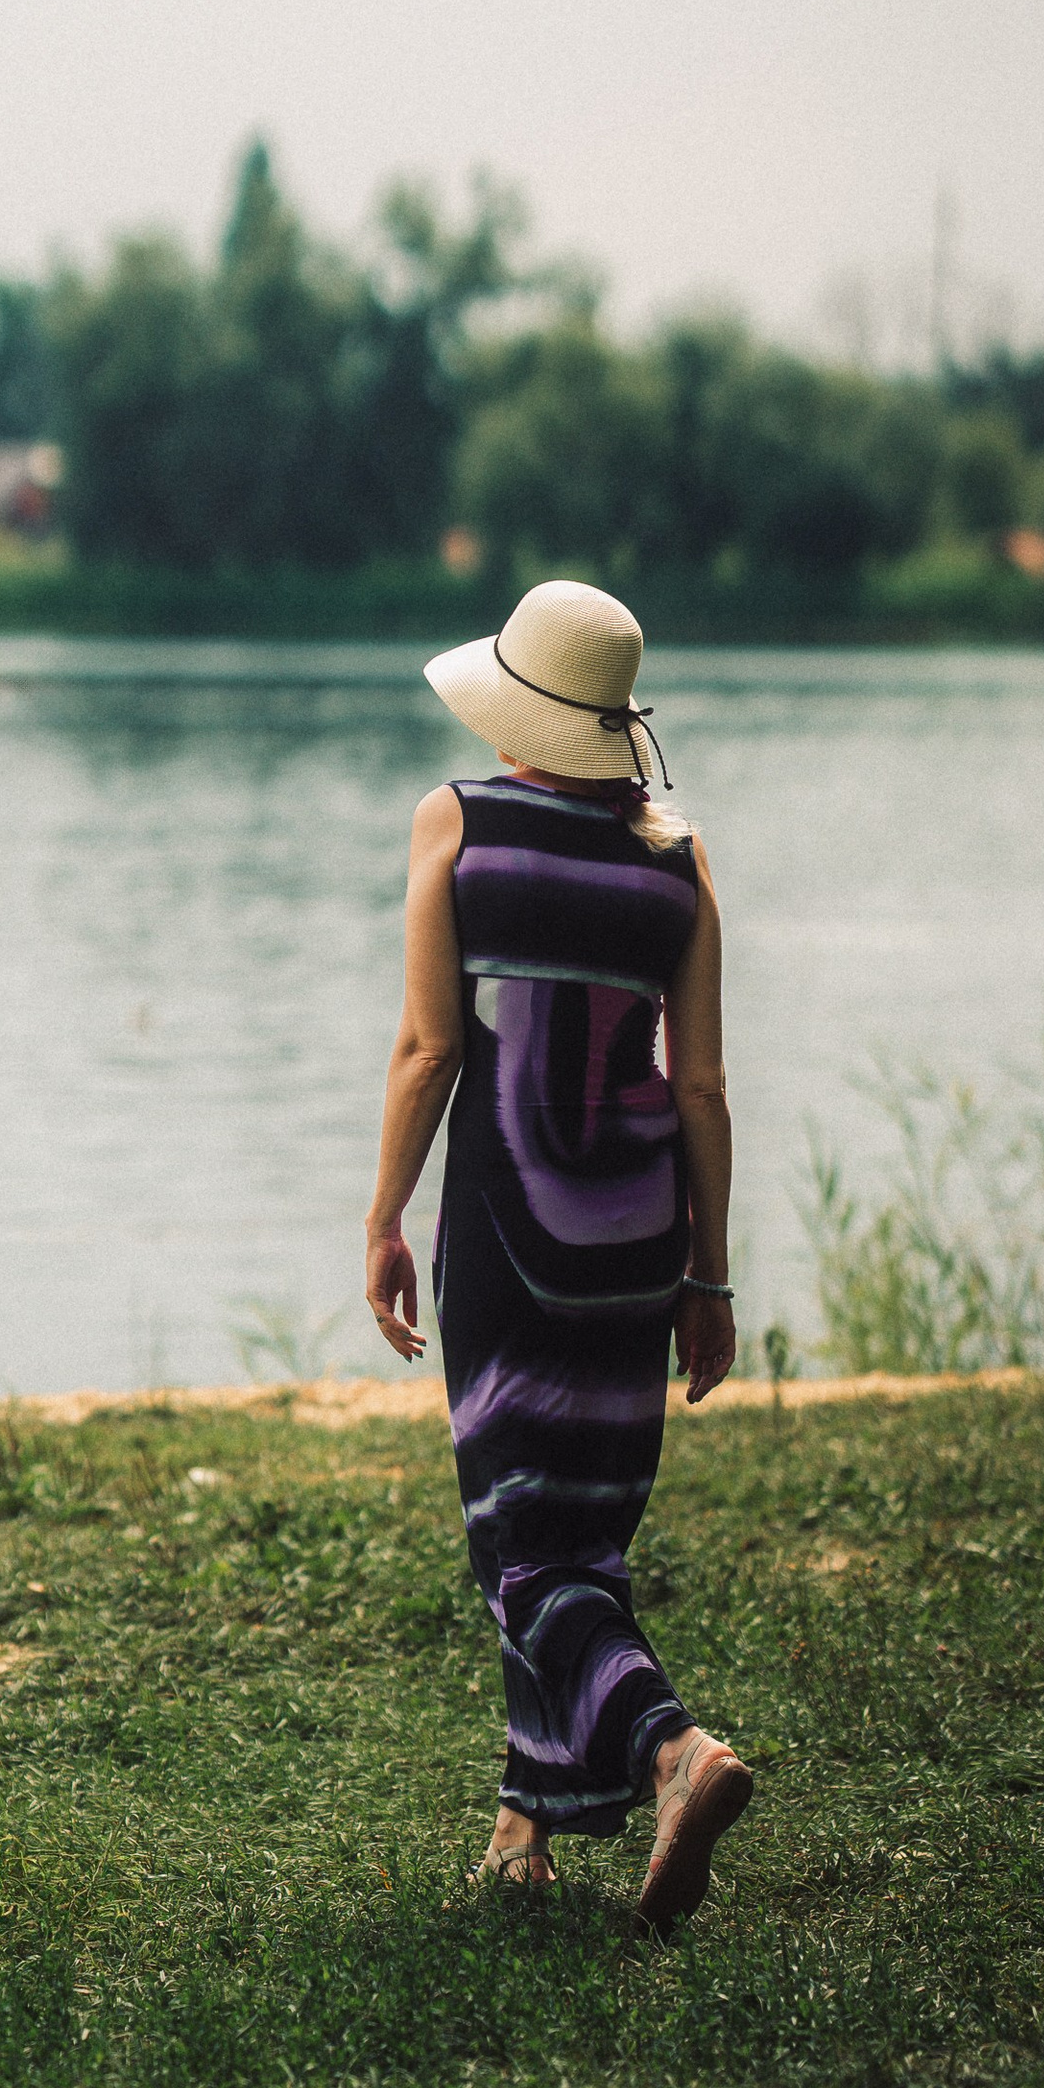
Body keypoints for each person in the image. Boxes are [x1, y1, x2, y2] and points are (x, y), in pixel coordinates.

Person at [363, 577, 753, 1928]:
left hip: (508, 1223)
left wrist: (384, 1219)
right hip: (636, 1229)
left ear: (514, 708)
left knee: (522, 1551)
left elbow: (428, 1050)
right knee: (576, 1528)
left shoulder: (458, 822)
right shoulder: (679, 857)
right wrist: (707, 1276)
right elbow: (701, 1089)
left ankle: (671, 1752)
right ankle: (523, 1830)